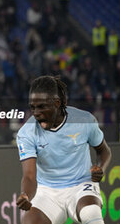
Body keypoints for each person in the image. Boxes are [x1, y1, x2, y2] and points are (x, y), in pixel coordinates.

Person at [16, 75, 112, 224]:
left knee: (91, 212)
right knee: (29, 221)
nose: (36, 113)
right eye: (32, 107)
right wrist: (25, 195)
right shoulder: (26, 132)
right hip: (48, 191)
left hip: (81, 185)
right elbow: (29, 176)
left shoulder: (84, 120)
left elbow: (104, 150)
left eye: (41, 106)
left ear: (57, 103)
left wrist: (101, 169)